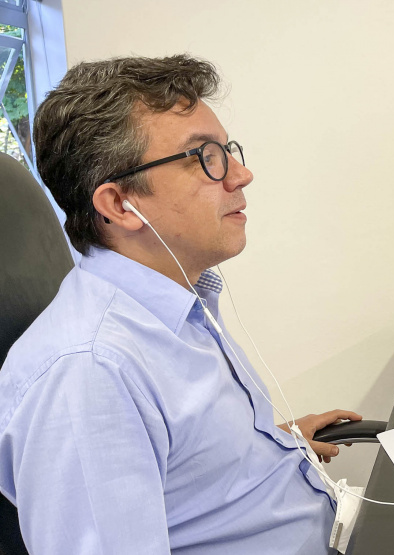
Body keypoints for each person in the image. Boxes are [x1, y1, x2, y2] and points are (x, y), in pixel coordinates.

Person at [0, 55, 361, 554]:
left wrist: (266, 449)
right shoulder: (90, 371)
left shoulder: (177, 303)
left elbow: (174, 469)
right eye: (203, 157)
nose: (242, 174)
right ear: (119, 204)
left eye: (228, 150)